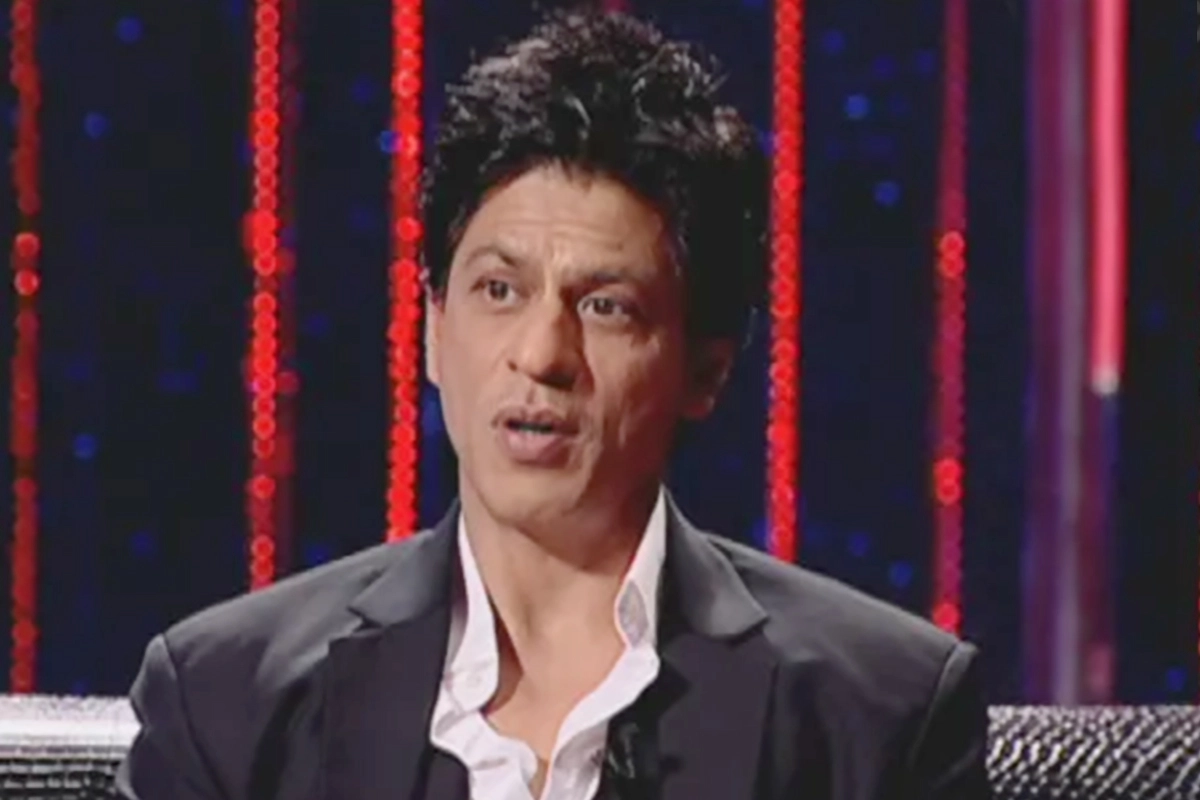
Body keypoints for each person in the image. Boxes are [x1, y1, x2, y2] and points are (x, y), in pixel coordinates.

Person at [116, 8, 990, 800]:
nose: (540, 355)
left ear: (706, 370)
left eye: (606, 307)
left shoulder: (879, 720)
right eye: (499, 290)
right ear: (433, 329)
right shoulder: (227, 708)